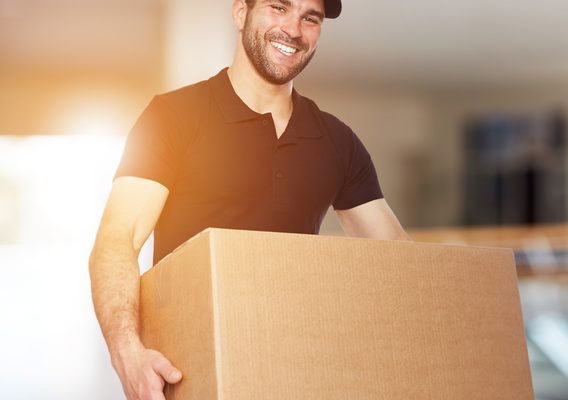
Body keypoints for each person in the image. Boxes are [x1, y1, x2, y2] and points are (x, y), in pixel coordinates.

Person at [88, 0, 410, 398]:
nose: (294, 29)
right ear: (241, 12)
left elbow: (401, 262)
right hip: (188, 373)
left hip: (296, 374)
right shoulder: (172, 117)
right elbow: (116, 241)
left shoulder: (338, 142)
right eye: (279, 7)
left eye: (310, 18)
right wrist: (127, 354)